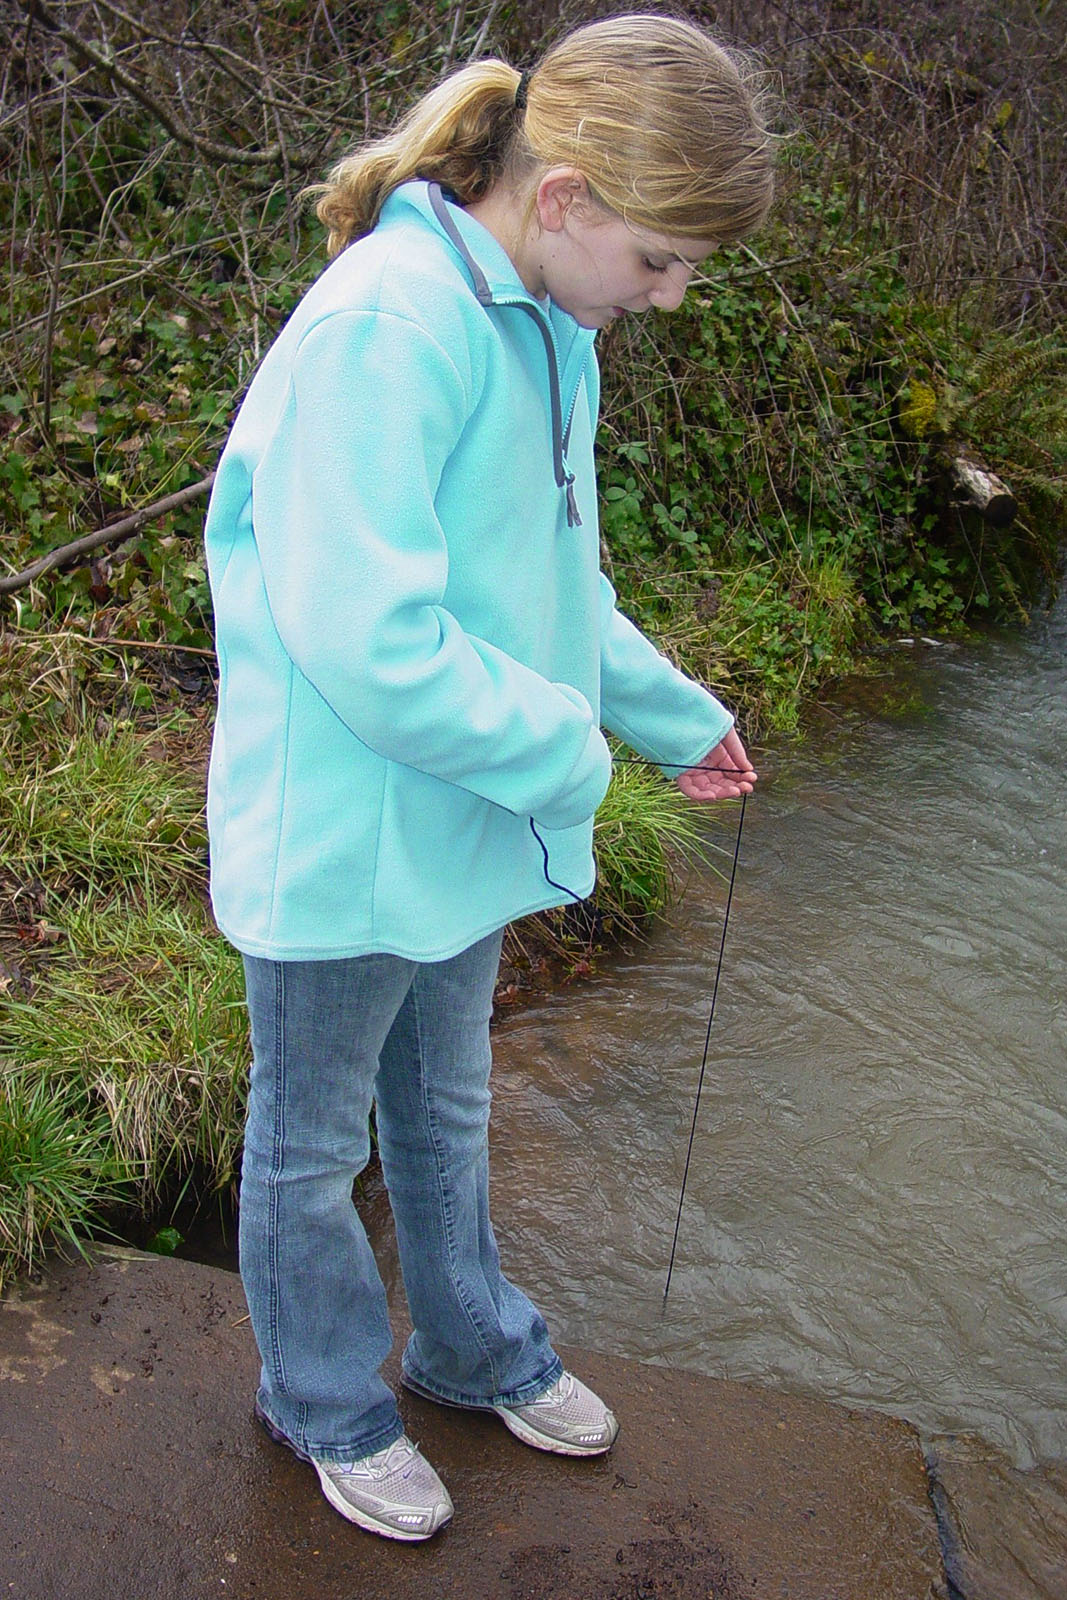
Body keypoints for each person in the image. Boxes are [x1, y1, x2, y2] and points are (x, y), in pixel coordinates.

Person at [203, 11, 773, 1544]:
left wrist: (666, 715)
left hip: (462, 820)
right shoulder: (390, 327)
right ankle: (322, 1399)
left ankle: (467, 1347)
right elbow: (367, 637)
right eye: (659, 259)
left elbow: (553, 587)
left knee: (446, 1112)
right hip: (341, 833)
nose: (668, 293)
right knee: (312, 1147)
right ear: (567, 194)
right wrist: (566, 753)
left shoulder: (547, 322)